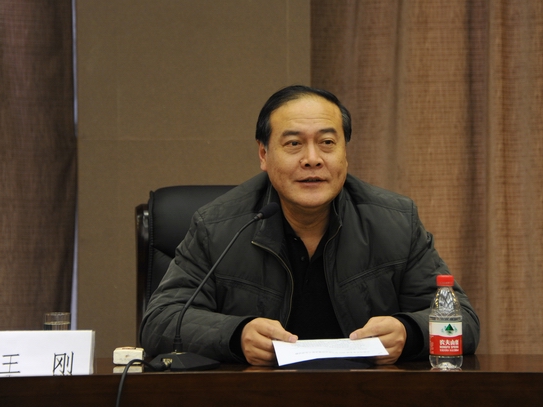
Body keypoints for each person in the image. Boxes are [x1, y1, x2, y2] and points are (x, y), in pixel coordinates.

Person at [140, 85, 480, 366]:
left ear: (345, 154)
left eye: (327, 143)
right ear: (263, 154)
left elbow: (463, 319)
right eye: (293, 144)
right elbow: (160, 320)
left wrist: (409, 331)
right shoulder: (217, 226)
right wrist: (235, 334)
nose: (313, 159)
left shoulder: (395, 221)